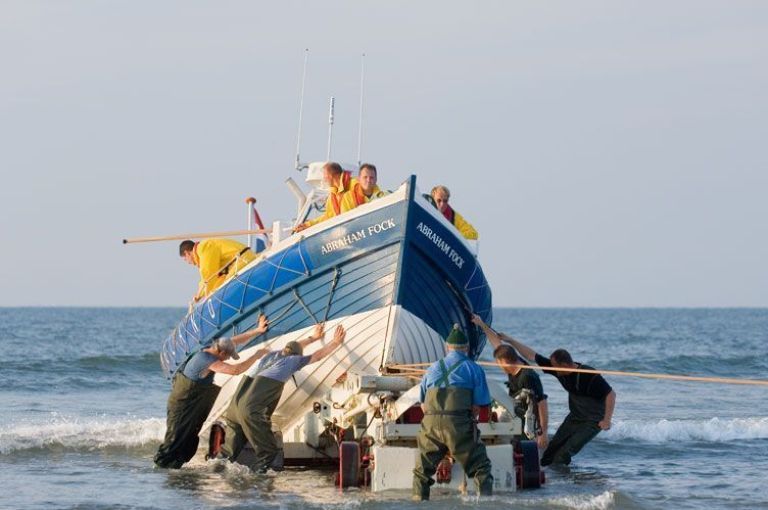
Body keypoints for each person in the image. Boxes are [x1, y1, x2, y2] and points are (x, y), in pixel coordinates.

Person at [219, 323, 346, 472]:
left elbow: (295, 345)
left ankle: (214, 473)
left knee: (227, 454)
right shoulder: (293, 361)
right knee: (269, 451)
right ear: (297, 355)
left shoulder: (272, 355)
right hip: (250, 411)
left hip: (233, 409)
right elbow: (317, 356)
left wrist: (314, 337)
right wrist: (335, 342)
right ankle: (255, 483)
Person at [153, 314, 270, 469]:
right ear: (221, 353)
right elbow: (235, 370)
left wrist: (258, 330)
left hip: (192, 402)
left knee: (188, 441)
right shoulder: (207, 361)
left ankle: (174, 469)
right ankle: (160, 469)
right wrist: (256, 356)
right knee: (174, 440)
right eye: (228, 356)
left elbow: (234, 340)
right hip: (182, 405)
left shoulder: (212, 347)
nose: (227, 359)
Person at [499, 335, 616, 467]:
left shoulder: (588, 375)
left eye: (555, 367)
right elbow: (532, 356)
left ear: (565, 365)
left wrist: (606, 420)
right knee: (550, 451)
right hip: (575, 416)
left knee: (563, 454)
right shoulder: (558, 369)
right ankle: (550, 482)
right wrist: (511, 341)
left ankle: (565, 484)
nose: (553, 369)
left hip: (593, 421)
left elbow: (611, 394)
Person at [412, 324, 493, 501]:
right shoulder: (474, 369)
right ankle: (486, 503)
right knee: (481, 467)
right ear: (467, 348)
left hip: (431, 425)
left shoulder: (432, 368)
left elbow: (423, 406)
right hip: (458, 425)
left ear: (447, 348)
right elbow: (479, 405)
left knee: (421, 473)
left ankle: (418, 502)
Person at [471, 314, 549, 450]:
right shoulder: (513, 363)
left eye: (499, 363)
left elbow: (542, 403)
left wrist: (543, 432)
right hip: (516, 413)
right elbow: (497, 344)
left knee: (523, 449)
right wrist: (482, 325)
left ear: (505, 362)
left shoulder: (528, 376)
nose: (499, 366)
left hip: (528, 421)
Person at [179, 238, 257, 302]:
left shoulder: (204, 247)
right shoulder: (204, 249)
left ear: (187, 253)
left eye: (186, 259)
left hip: (243, 259)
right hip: (241, 259)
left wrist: (203, 296)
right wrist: (200, 294)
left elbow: (208, 274)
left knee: (221, 290)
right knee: (218, 285)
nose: (188, 263)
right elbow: (213, 277)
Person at [294, 162, 357, 231]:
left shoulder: (355, 184)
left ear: (331, 176)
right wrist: (308, 224)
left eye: (325, 175)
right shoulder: (332, 197)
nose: (324, 179)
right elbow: (328, 217)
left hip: (358, 225)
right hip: (347, 231)